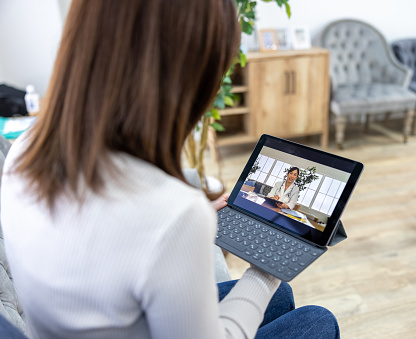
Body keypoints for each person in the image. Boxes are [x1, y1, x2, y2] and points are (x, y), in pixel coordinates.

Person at [0, 1, 340, 338]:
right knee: (318, 320)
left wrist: (195, 221)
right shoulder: (172, 214)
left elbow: (99, 244)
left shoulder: (24, 150)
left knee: (279, 299)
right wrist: (267, 270)